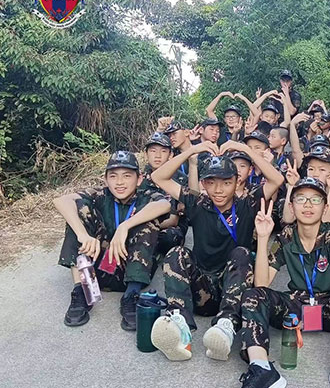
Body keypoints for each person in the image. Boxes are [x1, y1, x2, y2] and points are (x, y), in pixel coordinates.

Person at [150, 140, 284, 361]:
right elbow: (158, 177)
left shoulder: (247, 204)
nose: (218, 190)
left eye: (226, 183)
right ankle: (178, 325)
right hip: (201, 289)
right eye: (211, 183)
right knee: (176, 253)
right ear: (203, 183)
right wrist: (192, 150)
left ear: (237, 181)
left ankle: (225, 326)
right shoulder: (197, 202)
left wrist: (246, 150)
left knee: (242, 253)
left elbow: (277, 179)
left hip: (233, 292)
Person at [238, 178, 330, 388]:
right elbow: (262, 284)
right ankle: (260, 367)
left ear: (325, 207)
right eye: (301, 199)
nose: (308, 205)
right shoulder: (286, 237)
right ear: (291, 206)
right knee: (252, 295)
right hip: (297, 309)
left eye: (315, 199)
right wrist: (264, 238)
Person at [54, 151, 171, 329]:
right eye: (113, 176)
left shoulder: (147, 196)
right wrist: (82, 234)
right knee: (77, 213)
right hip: (98, 270)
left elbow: (164, 205)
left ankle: (131, 296)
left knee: (148, 220)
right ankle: (81, 290)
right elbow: (61, 200)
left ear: (139, 179)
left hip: (131, 270)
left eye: (127, 176)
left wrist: (125, 226)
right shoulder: (100, 194)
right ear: (106, 179)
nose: (119, 182)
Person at [139, 132, 189, 271]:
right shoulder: (139, 179)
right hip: (143, 225)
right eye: (153, 151)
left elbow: (173, 220)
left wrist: (147, 228)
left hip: (168, 227)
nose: (158, 155)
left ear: (171, 155)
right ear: (146, 154)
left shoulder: (180, 179)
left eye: (163, 151)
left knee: (170, 237)